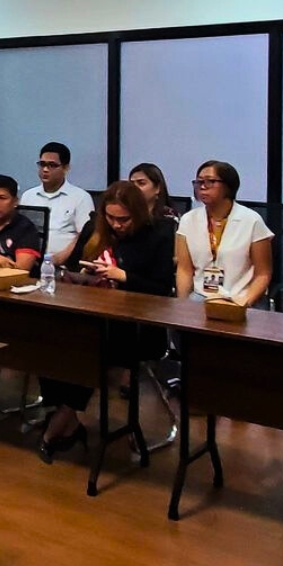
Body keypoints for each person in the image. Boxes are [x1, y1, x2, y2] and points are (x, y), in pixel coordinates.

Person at [37, 183, 177, 462]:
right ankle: (67, 417)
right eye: (111, 218)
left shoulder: (159, 234)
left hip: (139, 325)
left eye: (124, 219)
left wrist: (122, 276)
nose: (117, 225)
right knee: (48, 338)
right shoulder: (95, 229)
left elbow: (162, 290)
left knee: (87, 347)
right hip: (92, 314)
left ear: (138, 214)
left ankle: (61, 420)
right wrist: (81, 275)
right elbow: (73, 268)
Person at [175, 160, 273, 306]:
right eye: (199, 182)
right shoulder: (188, 220)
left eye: (210, 181)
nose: (202, 186)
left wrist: (243, 302)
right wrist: (182, 305)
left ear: (228, 186)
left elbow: (263, 274)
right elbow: (184, 269)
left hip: (241, 297)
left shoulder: (252, 220)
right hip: (201, 296)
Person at [21, 141, 95, 264]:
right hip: (30, 262)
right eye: (42, 164)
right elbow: (21, 231)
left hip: (64, 264)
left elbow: (84, 235)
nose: (45, 169)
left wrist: (58, 259)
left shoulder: (81, 197)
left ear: (66, 168)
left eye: (52, 165)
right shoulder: (28, 196)